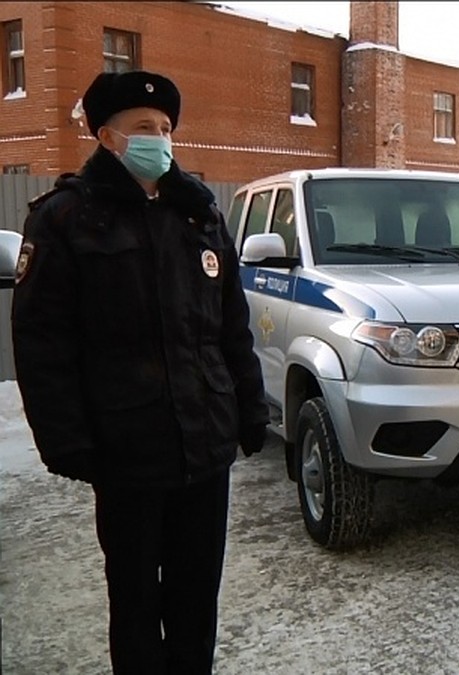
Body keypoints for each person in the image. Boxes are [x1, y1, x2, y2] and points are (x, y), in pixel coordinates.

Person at [11, 70, 269, 674]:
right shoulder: (67, 218)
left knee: (195, 598)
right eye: (143, 128)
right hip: (126, 450)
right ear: (107, 135)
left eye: (166, 128)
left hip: (205, 444)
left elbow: (232, 326)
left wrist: (250, 408)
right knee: (134, 602)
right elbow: (42, 343)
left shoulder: (198, 214)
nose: (159, 138)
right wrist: (67, 440)